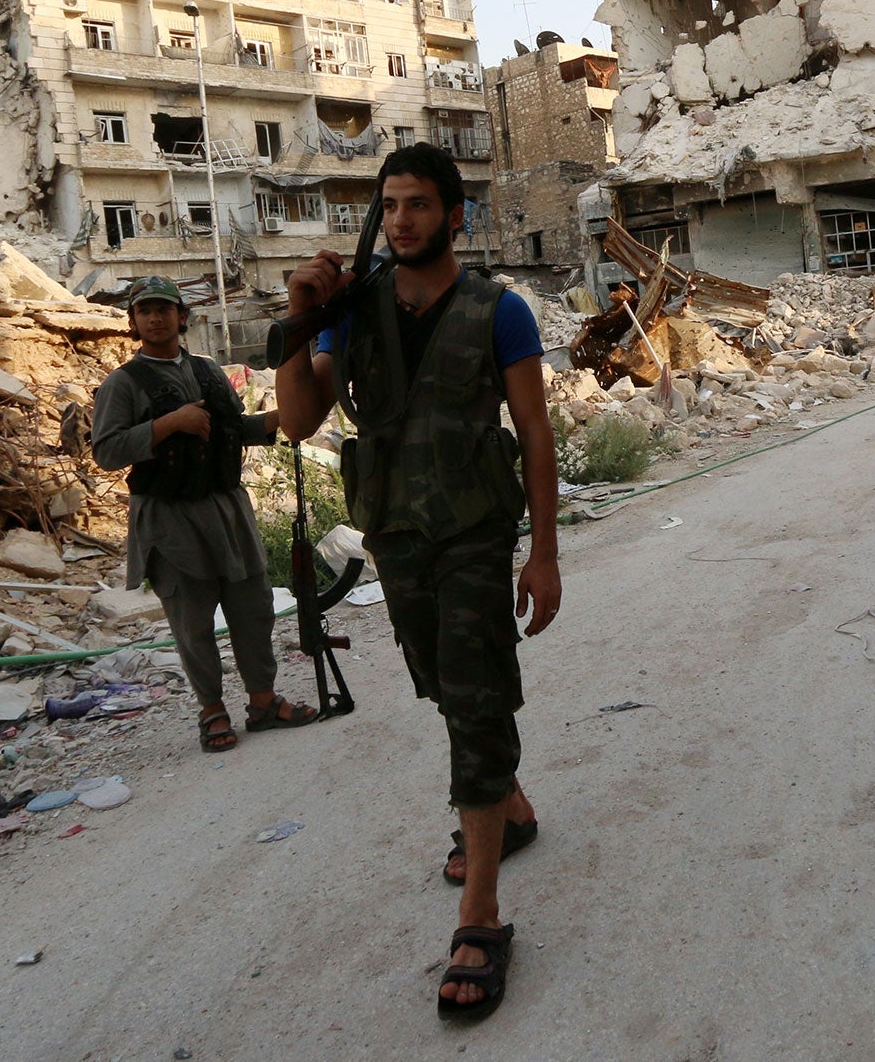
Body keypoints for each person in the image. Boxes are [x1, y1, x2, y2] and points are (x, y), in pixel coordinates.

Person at [276, 143, 561, 1022]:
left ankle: (480, 919)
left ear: (454, 216)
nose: (401, 220)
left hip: (474, 532)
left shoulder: (496, 311)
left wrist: (542, 551)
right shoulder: (351, 312)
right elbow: (296, 418)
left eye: (419, 205)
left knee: (474, 697)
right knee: (440, 683)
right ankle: (506, 809)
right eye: (390, 205)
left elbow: (536, 432)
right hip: (395, 532)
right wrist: (298, 316)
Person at [91, 276, 319, 753]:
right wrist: (168, 424)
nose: (156, 317)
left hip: (226, 508)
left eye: (164, 309)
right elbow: (107, 451)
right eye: (145, 311)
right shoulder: (122, 383)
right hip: (170, 517)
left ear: (182, 317)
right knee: (193, 620)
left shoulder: (209, 370)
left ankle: (262, 701)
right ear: (133, 322)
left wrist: (283, 418)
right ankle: (212, 710)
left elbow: (233, 430)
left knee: (252, 608)